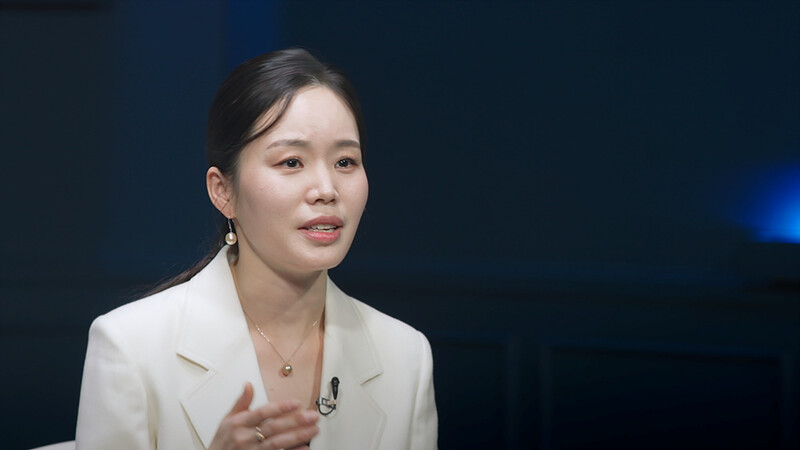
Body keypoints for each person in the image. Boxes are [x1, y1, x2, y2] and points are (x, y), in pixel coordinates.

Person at [75, 48, 438, 450]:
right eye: (291, 162)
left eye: (345, 162)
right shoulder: (130, 346)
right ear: (223, 191)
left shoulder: (406, 356)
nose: (326, 190)